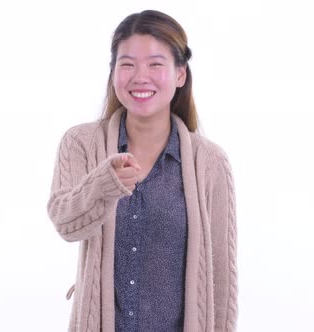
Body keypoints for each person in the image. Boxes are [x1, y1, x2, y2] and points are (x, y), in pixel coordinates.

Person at [47, 10, 237, 332]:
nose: (140, 76)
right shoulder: (81, 143)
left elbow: (221, 277)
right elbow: (66, 224)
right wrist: (103, 184)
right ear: (113, 73)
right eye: (127, 64)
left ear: (180, 74)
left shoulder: (211, 164)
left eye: (155, 64)